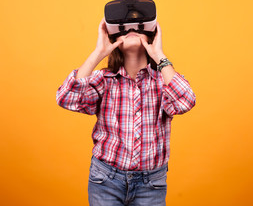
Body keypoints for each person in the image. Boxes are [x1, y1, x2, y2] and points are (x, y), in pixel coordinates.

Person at [56, 17, 196, 206]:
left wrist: (159, 55)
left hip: (151, 183)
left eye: (138, 27)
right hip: (105, 180)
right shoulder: (103, 80)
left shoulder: (164, 81)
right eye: (123, 28)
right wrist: (99, 52)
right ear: (115, 41)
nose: (131, 29)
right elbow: (66, 97)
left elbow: (186, 101)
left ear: (151, 36)